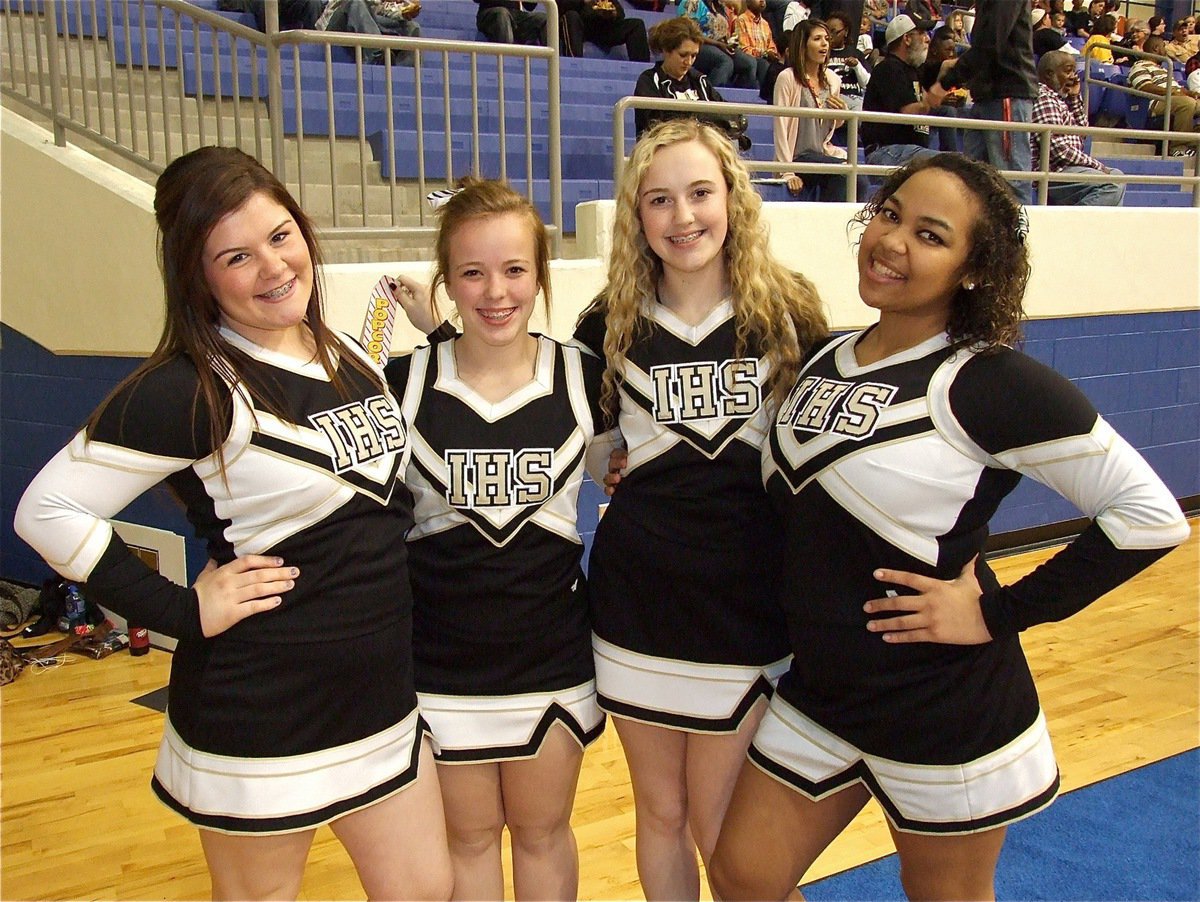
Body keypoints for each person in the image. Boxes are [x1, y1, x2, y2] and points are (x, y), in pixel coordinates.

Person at [709, 152, 1189, 901]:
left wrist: (999, 612)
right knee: (744, 876)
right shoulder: (827, 358)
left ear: (973, 270)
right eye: (890, 214)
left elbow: (1150, 517)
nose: (893, 241)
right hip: (824, 691)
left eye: (931, 235)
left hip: (944, 711)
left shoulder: (988, 381)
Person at [12, 146, 454, 901]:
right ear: (198, 274)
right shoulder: (189, 387)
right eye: (237, 256)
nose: (274, 267)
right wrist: (184, 611)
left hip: (380, 690)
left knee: (426, 888)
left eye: (281, 236)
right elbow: (47, 511)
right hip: (263, 706)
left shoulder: (344, 350)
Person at [575, 117, 829, 900]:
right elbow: (590, 448)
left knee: (724, 827)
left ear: (733, 200)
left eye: (699, 194)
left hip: (746, 603)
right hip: (637, 598)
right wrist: (603, 466)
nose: (683, 218)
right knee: (660, 812)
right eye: (660, 200)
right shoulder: (604, 322)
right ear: (636, 215)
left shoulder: (788, 312)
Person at [383, 180, 622, 900]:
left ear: (541, 274)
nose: (496, 291)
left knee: (543, 833)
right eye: (473, 272)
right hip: (438, 661)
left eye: (515, 269)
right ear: (447, 281)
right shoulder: (399, 384)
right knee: (470, 838)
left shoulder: (585, 376)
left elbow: (635, 469)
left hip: (548, 654)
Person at [927, 0, 1038, 202]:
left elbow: (990, 45)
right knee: (973, 181)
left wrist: (946, 82)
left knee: (1011, 182)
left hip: (1007, 93)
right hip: (987, 94)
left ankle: (1018, 233)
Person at [773, 18, 864, 201]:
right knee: (842, 176)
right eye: (817, 39)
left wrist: (841, 114)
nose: (824, 44)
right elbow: (781, 126)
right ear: (803, 45)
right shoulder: (787, 78)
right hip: (798, 156)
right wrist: (786, 171)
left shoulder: (832, 79)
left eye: (827, 39)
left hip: (822, 153)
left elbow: (831, 125)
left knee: (859, 179)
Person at [634, 16, 752, 149]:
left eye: (694, 55)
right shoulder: (649, 81)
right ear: (666, 51)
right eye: (683, 55)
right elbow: (655, 127)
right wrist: (705, 119)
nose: (688, 62)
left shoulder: (699, 80)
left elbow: (731, 115)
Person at [1031, 50, 1124, 205]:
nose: (1074, 76)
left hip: (1068, 170)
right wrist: (1097, 165)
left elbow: (1082, 134)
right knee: (1112, 184)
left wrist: (1074, 97)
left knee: (1117, 176)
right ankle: (1074, 227)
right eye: (1068, 71)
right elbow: (1056, 149)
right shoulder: (1044, 97)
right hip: (1052, 172)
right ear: (1049, 74)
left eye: (1074, 71)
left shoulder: (1059, 99)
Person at [861, 14, 942, 167]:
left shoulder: (913, 70)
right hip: (886, 151)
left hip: (910, 151)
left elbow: (944, 67)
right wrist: (930, 101)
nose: (928, 39)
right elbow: (908, 112)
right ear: (907, 39)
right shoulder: (889, 68)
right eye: (922, 33)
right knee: (946, 165)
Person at [1127, 35, 1200, 156]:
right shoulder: (1140, 66)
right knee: (1187, 103)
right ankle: (1178, 147)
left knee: (1191, 101)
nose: (1165, 51)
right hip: (1155, 103)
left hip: (1174, 99)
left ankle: (1195, 143)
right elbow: (1144, 86)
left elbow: (1178, 89)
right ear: (1156, 48)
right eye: (1163, 47)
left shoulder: (1163, 69)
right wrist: (1171, 92)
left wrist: (1191, 93)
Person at [677, 0, 759, 89]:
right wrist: (718, 44)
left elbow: (723, 31)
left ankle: (741, 99)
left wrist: (728, 42)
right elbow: (690, 32)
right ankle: (712, 97)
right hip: (696, 45)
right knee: (725, 62)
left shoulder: (719, 6)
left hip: (720, 45)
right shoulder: (692, 3)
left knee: (749, 63)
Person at [560, 0, 651, 61]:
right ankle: (574, 61)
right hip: (581, 27)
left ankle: (642, 69)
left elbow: (620, 13)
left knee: (636, 24)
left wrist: (613, 14)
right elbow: (561, 7)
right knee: (571, 16)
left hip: (603, 28)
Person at [824, 9, 872, 111]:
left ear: (845, 32)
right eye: (827, 32)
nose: (830, 36)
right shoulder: (822, 54)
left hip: (855, 99)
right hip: (832, 99)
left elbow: (866, 83)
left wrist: (857, 66)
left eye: (834, 32)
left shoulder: (856, 53)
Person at [734, 0, 784, 90]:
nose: (762, 1)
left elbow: (772, 46)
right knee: (762, 64)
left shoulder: (765, 24)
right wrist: (764, 54)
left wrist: (771, 53)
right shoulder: (741, 20)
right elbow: (743, 48)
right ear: (748, 2)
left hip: (764, 58)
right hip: (748, 57)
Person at [475, 0, 548, 46]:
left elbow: (530, 6)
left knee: (544, 19)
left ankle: (553, 62)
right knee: (502, 14)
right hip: (490, 12)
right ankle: (506, 58)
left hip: (516, 14)